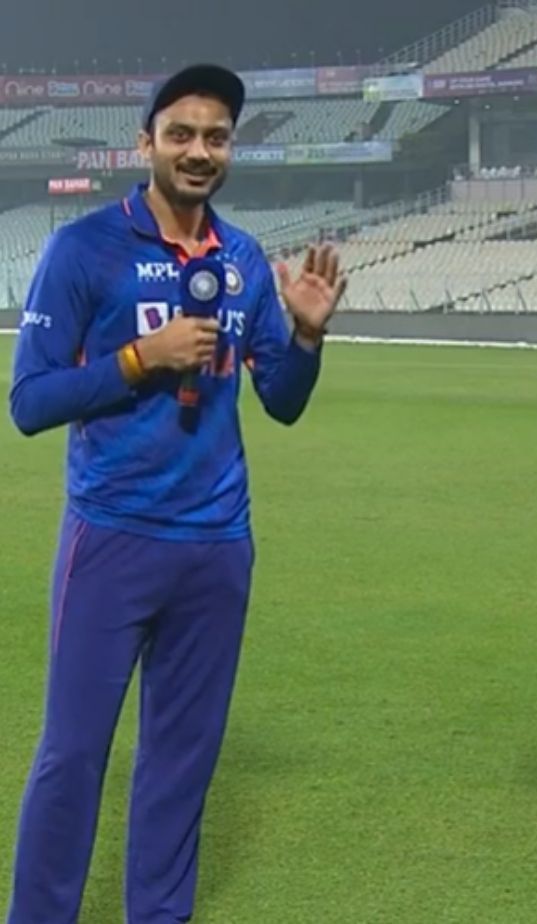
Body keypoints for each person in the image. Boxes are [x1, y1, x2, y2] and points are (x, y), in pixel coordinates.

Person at [6, 64, 346, 924]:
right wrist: (134, 362)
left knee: (182, 759)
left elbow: (283, 401)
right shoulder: (84, 249)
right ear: (147, 142)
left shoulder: (240, 259)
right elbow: (30, 402)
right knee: (74, 755)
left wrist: (304, 336)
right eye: (183, 134)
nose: (200, 151)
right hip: (113, 536)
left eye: (217, 136)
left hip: (216, 547)